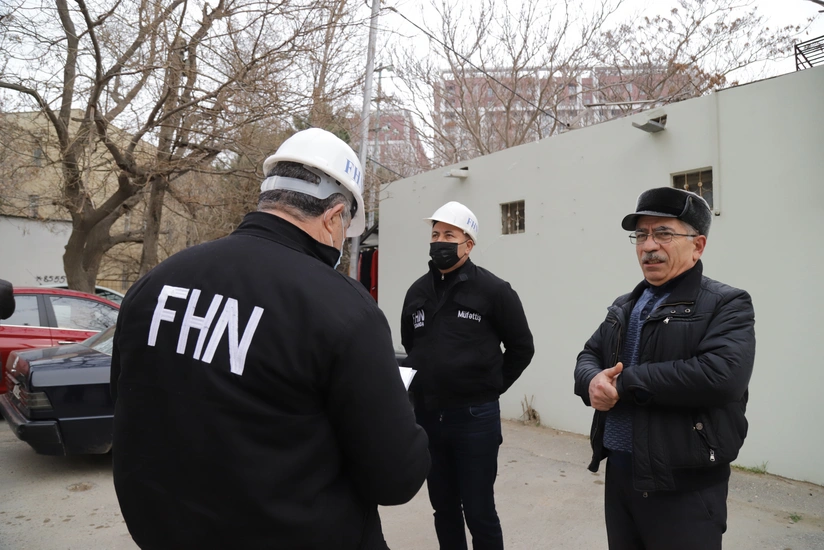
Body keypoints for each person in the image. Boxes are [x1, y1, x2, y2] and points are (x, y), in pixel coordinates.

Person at [111, 128, 430, 550]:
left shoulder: (155, 283)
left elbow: (132, 409)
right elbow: (395, 479)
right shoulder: (343, 310)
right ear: (334, 216)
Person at [574, 187, 755, 550]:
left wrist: (624, 384)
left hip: (684, 485)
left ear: (698, 245)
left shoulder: (726, 303)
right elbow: (588, 355)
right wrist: (592, 381)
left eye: (664, 234)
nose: (648, 246)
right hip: (622, 474)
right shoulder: (624, 305)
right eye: (641, 235)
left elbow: (720, 376)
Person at [401, 201, 534, 550]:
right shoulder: (417, 292)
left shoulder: (493, 291)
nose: (439, 241)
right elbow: (411, 343)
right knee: (442, 508)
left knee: (479, 510)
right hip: (428, 417)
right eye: (435, 234)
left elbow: (522, 348)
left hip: (475, 419)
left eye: (449, 234)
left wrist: (491, 387)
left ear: (469, 244)